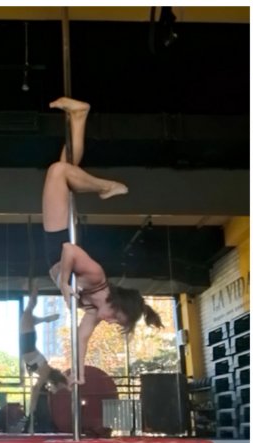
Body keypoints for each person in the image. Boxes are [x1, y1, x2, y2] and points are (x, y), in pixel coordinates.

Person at [44, 97, 163, 385]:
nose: (109, 322)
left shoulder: (92, 310)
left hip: (53, 238)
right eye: (116, 318)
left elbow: (81, 339)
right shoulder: (97, 277)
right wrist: (64, 283)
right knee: (58, 171)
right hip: (58, 233)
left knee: (66, 166)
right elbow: (68, 249)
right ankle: (104, 186)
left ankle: (79, 117)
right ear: (118, 305)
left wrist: (79, 373)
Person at [20, 288, 68, 432]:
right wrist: (31, 411)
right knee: (30, 308)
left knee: (29, 314)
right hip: (27, 344)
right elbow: (35, 389)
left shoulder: (46, 370)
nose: (51, 389)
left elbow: (39, 387)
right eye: (53, 387)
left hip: (28, 343)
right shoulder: (45, 371)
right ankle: (35, 286)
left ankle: (35, 291)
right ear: (53, 381)